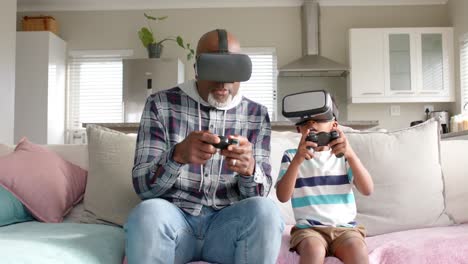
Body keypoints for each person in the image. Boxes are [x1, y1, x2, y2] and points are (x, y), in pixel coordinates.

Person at [125, 29, 284, 264]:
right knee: (147, 213)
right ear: (197, 69)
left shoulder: (256, 115)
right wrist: (177, 156)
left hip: (228, 229)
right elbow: (143, 189)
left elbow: (259, 196)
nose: (222, 81)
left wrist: (249, 170)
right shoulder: (160, 104)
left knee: (267, 212)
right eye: (213, 69)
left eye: (230, 70)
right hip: (175, 223)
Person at [276, 97, 374, 264]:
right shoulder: (292, 156)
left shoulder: (343, 157)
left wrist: (350, 154)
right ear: (299, 129)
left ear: (334, 125)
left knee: (357, 250)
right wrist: (298, 160)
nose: (312, 123)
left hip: (345, 230)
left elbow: (367, 189)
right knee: (313, 250)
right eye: (306, 122)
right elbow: (283, 196)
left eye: (319, 119)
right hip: (309, 230)